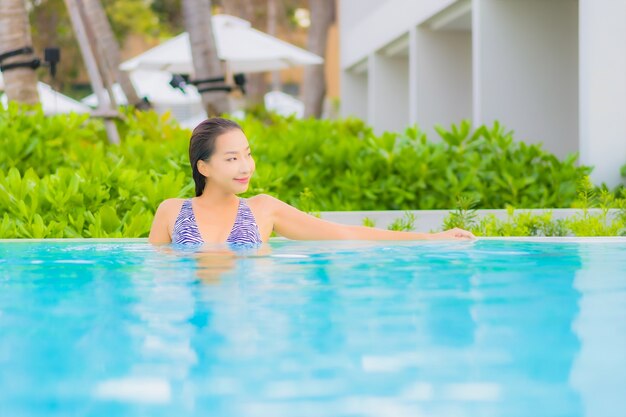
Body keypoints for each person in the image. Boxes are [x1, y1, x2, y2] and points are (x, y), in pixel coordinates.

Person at [148, 118, 476, 245]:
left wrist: (433, 238)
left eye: (247, 154)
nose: (245, 166)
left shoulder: (264, 210)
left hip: (247, 318)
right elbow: (158, 278)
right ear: (203, 167)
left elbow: (344, 234)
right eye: (232, 158)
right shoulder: (172, 211)